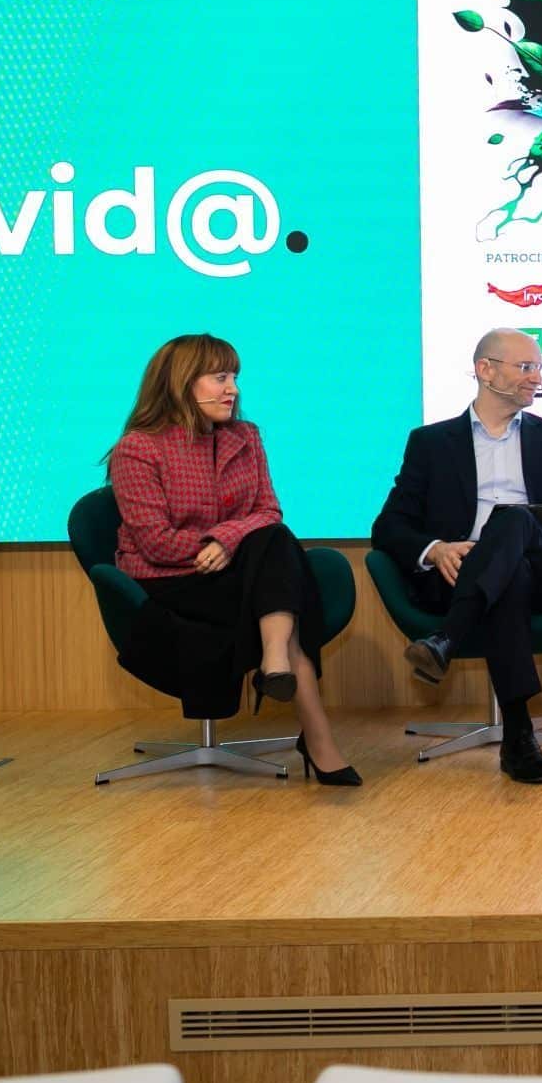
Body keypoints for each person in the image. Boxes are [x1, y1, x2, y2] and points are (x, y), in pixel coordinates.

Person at [107, 333, 358, 786]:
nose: (233, 389)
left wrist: (226, 540)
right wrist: (224, 543)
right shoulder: (139, 449)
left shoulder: (246, 437)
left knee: (275, 543)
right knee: (279, 579)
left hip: (238, 572)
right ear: (182, 382)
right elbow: (157, 544)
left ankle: (277, 661)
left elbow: (268, 510)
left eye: (234, 378)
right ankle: (314, 734)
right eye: (220, 378)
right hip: (171, 581)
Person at [372, 329, 542, 784]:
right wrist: (435, 550)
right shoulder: (431, 443)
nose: (536, 378)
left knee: (515, 520)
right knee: (510, 577)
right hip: (464, 573)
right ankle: (519, 736)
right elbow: (388, 527)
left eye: (539, 368)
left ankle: (447, 638)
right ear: (485, 370)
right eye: (525, 367)